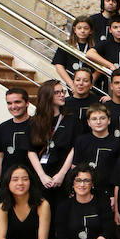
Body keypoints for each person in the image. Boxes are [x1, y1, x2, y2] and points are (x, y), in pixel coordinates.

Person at [27, 81, 76, 213]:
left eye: (63, 92)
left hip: (62, 174)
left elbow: (74, 148)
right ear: (47, 96)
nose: (62, 95)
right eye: (57, 92)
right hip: (41, 175)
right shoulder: (35, 121)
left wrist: (61, 175)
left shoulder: (71, 119)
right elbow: (31, 151)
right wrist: (42, 175)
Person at [0, 87, 31, 200]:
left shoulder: (36, 124)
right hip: (8, 182)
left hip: (31, 182)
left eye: (17, 102)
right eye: (9, 103)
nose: (13, 106)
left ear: (27, 103)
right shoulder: (2, 127)